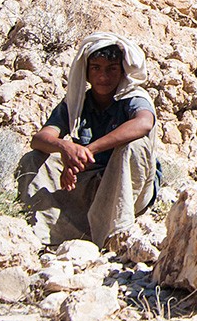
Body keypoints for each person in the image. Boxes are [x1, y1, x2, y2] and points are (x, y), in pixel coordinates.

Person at [18, 33, 159, 249]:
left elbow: (144, 123)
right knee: (33, 160)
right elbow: (39, 138)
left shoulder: (132, 98)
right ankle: (47, 233)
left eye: (112, 68)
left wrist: (86, 151)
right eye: (96, 68)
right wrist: (65, 147)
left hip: (121, 184)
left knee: (135, 146)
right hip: (87, 181)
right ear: (86, 71)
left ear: (122, 71)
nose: (104, 76)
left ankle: (116, 232)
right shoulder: (76, 102)